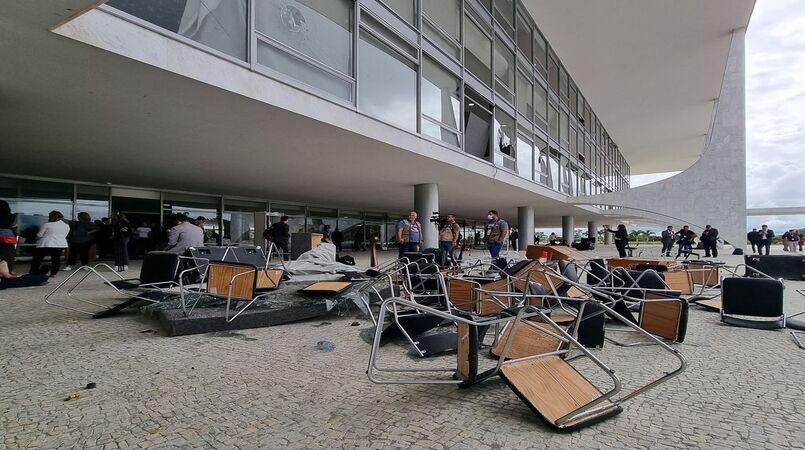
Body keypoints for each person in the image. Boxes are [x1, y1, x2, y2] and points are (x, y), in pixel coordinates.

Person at [29, 210, 70, 277]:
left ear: (52, 217)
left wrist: (34, 239)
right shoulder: (66, 226)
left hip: (46, 244)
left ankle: (33, 272)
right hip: (60, 244)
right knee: (56, 259)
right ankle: (53, 273)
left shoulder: (47, 224)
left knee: (37, 258)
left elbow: (39, 235)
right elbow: (64, 235)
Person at [0, 200, 18, 271]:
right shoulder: (11, 216)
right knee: (8, 256)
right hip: (7, 236)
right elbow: (13, 226)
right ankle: (7, 271)